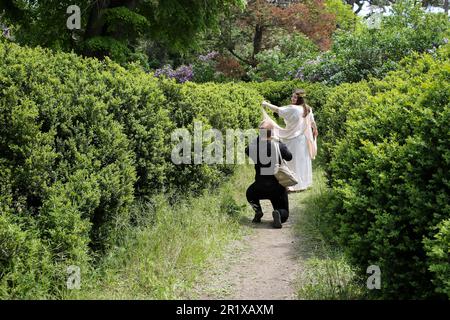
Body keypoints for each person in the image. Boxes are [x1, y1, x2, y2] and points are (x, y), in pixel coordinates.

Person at [261, 89, 318, 192]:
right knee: (302, 162)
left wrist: (265, 104)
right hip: (303, 139)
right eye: (292, 97)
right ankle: (303, 184)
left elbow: (278, 110)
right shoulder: (307, 109)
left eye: (295, 97)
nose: (292, 98)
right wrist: (315, 130)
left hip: (294, 140)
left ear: (300, 99)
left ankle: (292, 186)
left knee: (292, 162)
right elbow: (312, 122)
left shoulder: (293, 109)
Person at [245, 120, 293, 228]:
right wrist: (278, 141)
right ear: (271, 132)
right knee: (284, 212)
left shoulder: (254, 148)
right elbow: (289, 157)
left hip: (259, 187)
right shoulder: (278, 146)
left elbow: (246, 150)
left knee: (249, 193)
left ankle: (258, 211)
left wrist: (259, 138)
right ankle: (278, 214)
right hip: (277, 188)